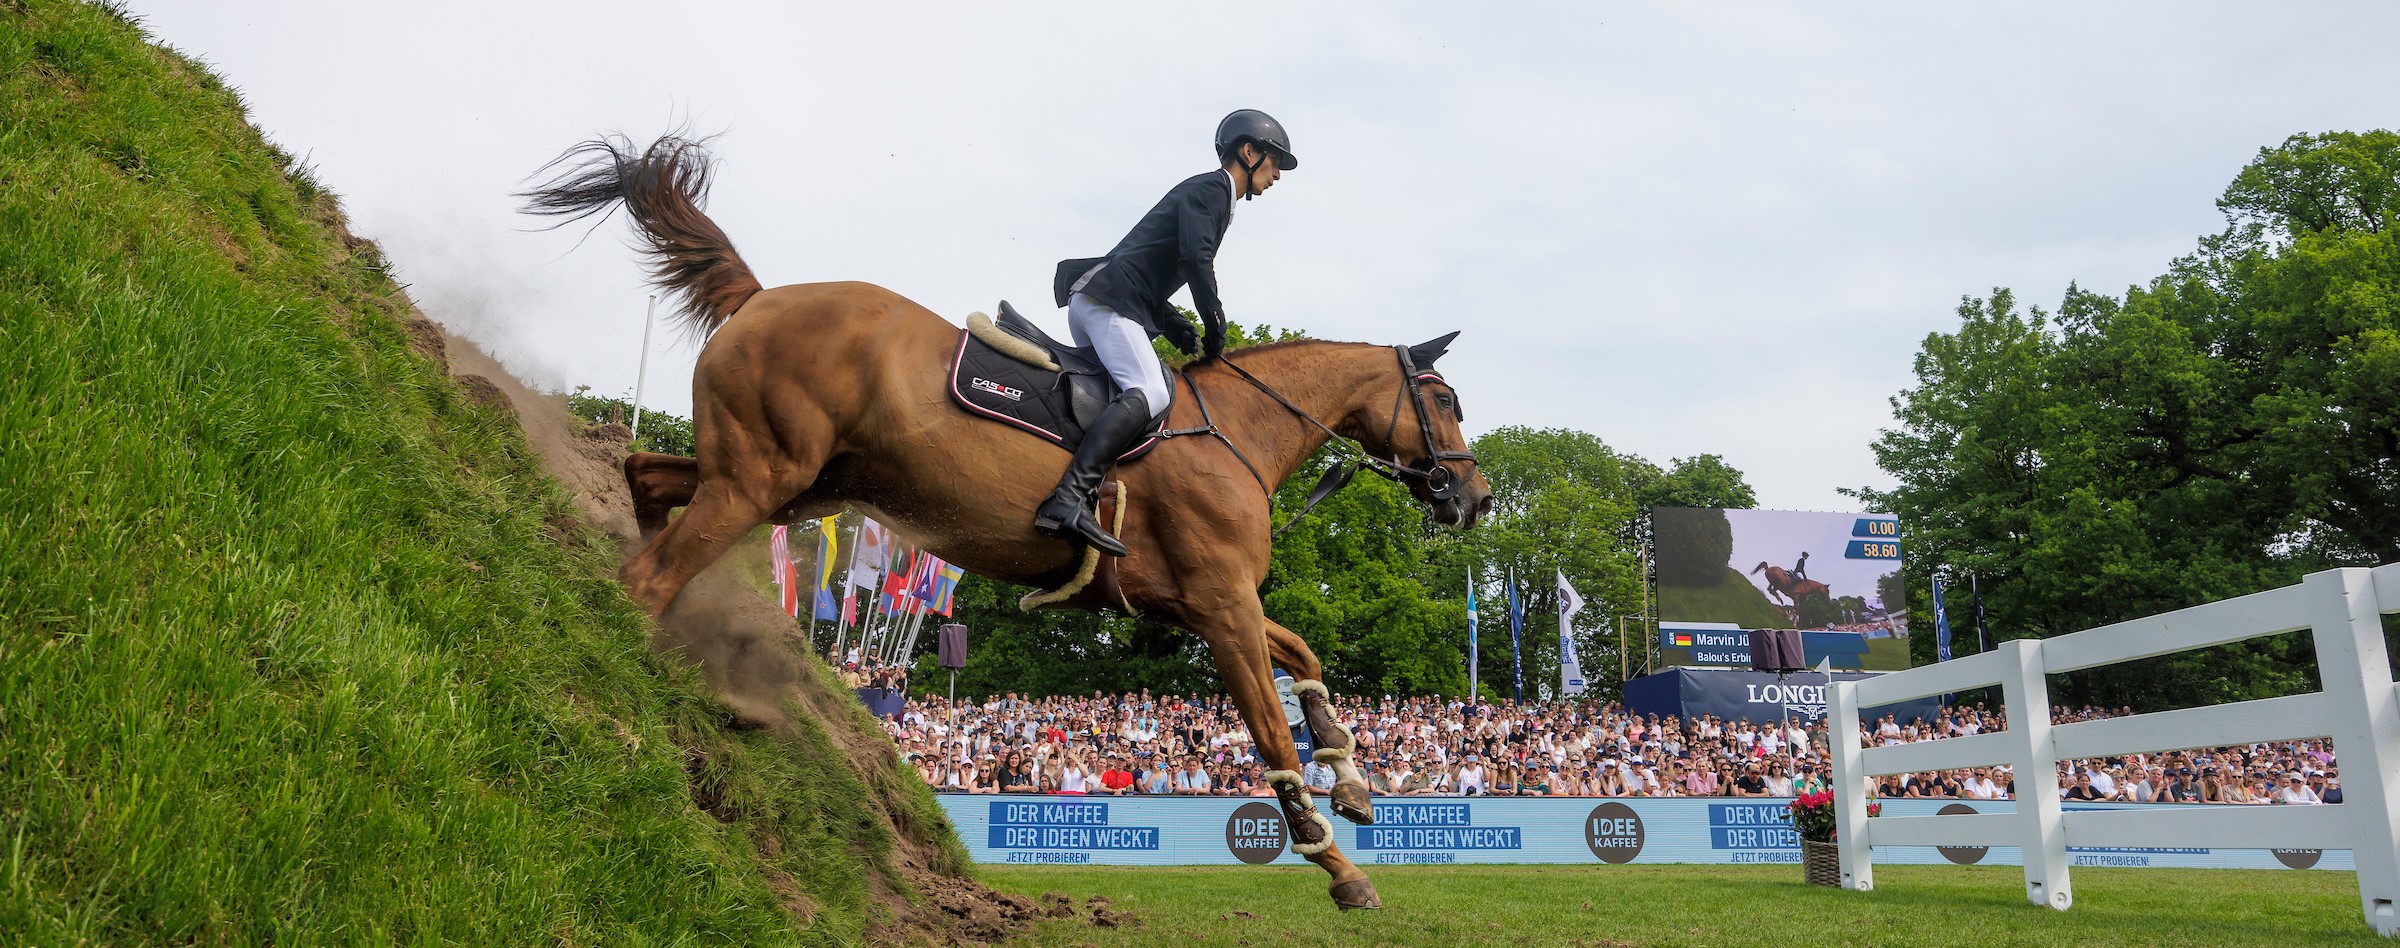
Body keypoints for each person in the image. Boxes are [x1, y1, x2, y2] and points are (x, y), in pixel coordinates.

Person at [1036, 110, 1296, 556]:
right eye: (1273, 162)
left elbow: (1151, 263)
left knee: (1120, 397)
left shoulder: (1215, 197)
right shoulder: (1215, 189)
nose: (1276, 175)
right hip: (1107, 301)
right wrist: (1216, 327)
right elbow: (1197, 261)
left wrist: (1176, 325)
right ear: (1248, 152)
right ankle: (1067, 498)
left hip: (1104, 300)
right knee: (1151, 392)